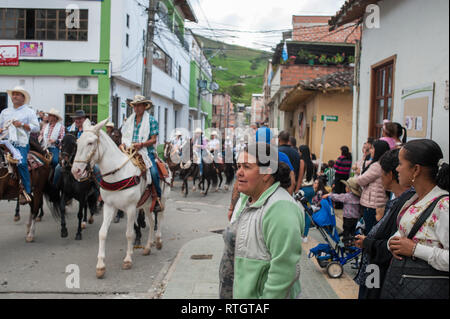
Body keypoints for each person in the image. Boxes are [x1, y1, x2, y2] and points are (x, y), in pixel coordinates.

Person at [219, 142, 304, 299]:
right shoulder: (248, 198)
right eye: (238, 166)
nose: (239, 173)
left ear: (266, 173)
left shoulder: (281, 208)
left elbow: (284, 271)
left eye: (247, 166)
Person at [386, 139, 448, 293]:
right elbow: (404, 233)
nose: (397, 169)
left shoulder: (444, 205)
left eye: (400, 163)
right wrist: (392, 243)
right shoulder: (413, 198)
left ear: (416, 170)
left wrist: (415, 250)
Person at [353, 148, 415, 299]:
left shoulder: (405, 205)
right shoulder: (395, 201)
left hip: (380, 272)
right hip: (374, 269)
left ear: (391, 174)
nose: (380, 177)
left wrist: (367, 242)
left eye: (382, 173)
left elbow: (391, 245)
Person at [121, 95, 162, 211]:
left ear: (145, 106)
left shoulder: (151, 120)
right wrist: (122, 144)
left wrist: (142, 144)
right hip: (129, 150)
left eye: (139, 105)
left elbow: (154, 140)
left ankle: (157, 197)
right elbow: (125, 136)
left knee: (153, 172)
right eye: (135, 106)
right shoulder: (129, 120)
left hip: (145, 151)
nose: (137, 108)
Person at [0, 86, 40, 204]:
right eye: (13, 94)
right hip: (4, 142)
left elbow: (36, 128)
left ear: (23, 97)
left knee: (21, 163)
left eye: (17, 94)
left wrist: (22, 124)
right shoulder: (5, 112)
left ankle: (26, 190)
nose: (14, 96)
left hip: (20, 143)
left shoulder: (29, 112)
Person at [356, 140, 390, 235]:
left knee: (370, 231)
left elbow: (360, 180)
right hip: (380, 203)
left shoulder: (376, 166)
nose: (371, 151)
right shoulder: (383, 164)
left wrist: (360, 172)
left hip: (373, 205)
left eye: (372, 148)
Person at [323, 177, 362, 246]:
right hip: (355, 218)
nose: (345, 188)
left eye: (346, 187)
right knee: (352, 231)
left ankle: (346, 244)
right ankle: (352, 243)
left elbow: (337, 197)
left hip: (347, 218)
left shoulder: (347, 196)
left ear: (349, 189)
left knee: (346, 231)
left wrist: (329, 195)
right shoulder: (358, 197)